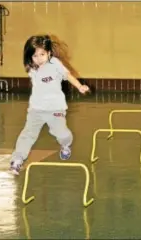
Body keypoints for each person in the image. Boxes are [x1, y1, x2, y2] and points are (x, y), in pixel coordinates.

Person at [10, 34, 90, 175]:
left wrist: (79, 86)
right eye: (35, 56)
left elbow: (68, 75)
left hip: (55, 109)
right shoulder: (32, 67)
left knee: (62, 134)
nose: (39, 58)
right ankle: (17, 160)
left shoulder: (55, 64)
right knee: (27, 135)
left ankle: (65, 145)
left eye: (42, 54)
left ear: (49, 53)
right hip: (36, 109)